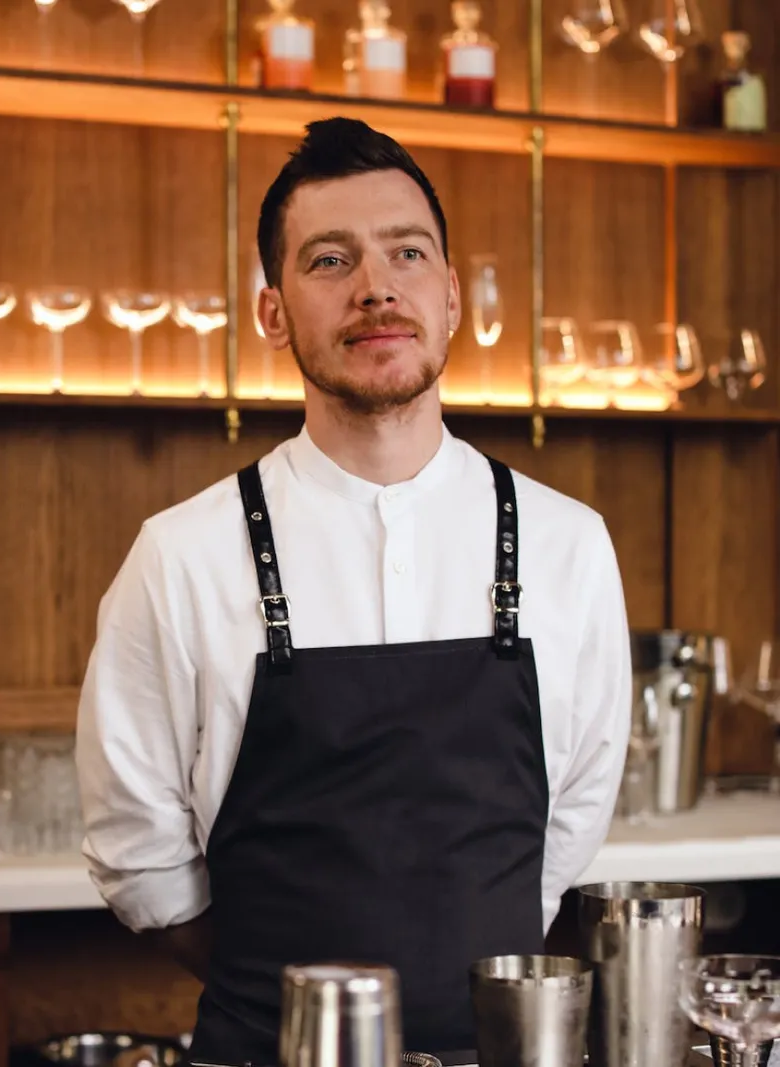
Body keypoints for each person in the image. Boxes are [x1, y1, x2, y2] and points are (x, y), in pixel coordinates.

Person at [76, 116, 631, 1066]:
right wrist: (297, 1010)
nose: (376, 286)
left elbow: (568, 824)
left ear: (451, 296)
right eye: (330, 260)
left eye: (406, 254)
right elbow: (140, 856)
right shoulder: (181, 556)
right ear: (274, 312)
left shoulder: (567, 544)